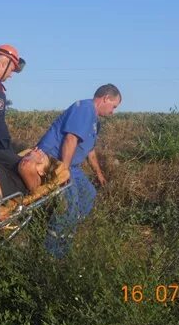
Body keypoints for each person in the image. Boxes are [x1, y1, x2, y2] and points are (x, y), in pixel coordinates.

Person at [37, 84, 122, 258]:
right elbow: (70, 139)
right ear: (105, 98)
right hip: (53, 162)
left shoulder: (94, 120)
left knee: (88, 194)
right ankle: (52, 254)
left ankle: (67, 228)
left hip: (72, 167)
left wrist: (98, 173)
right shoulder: (85, 109)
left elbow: (89, 150)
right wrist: (63, 172)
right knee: (70, 205)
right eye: (114, 106)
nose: (113, 112)